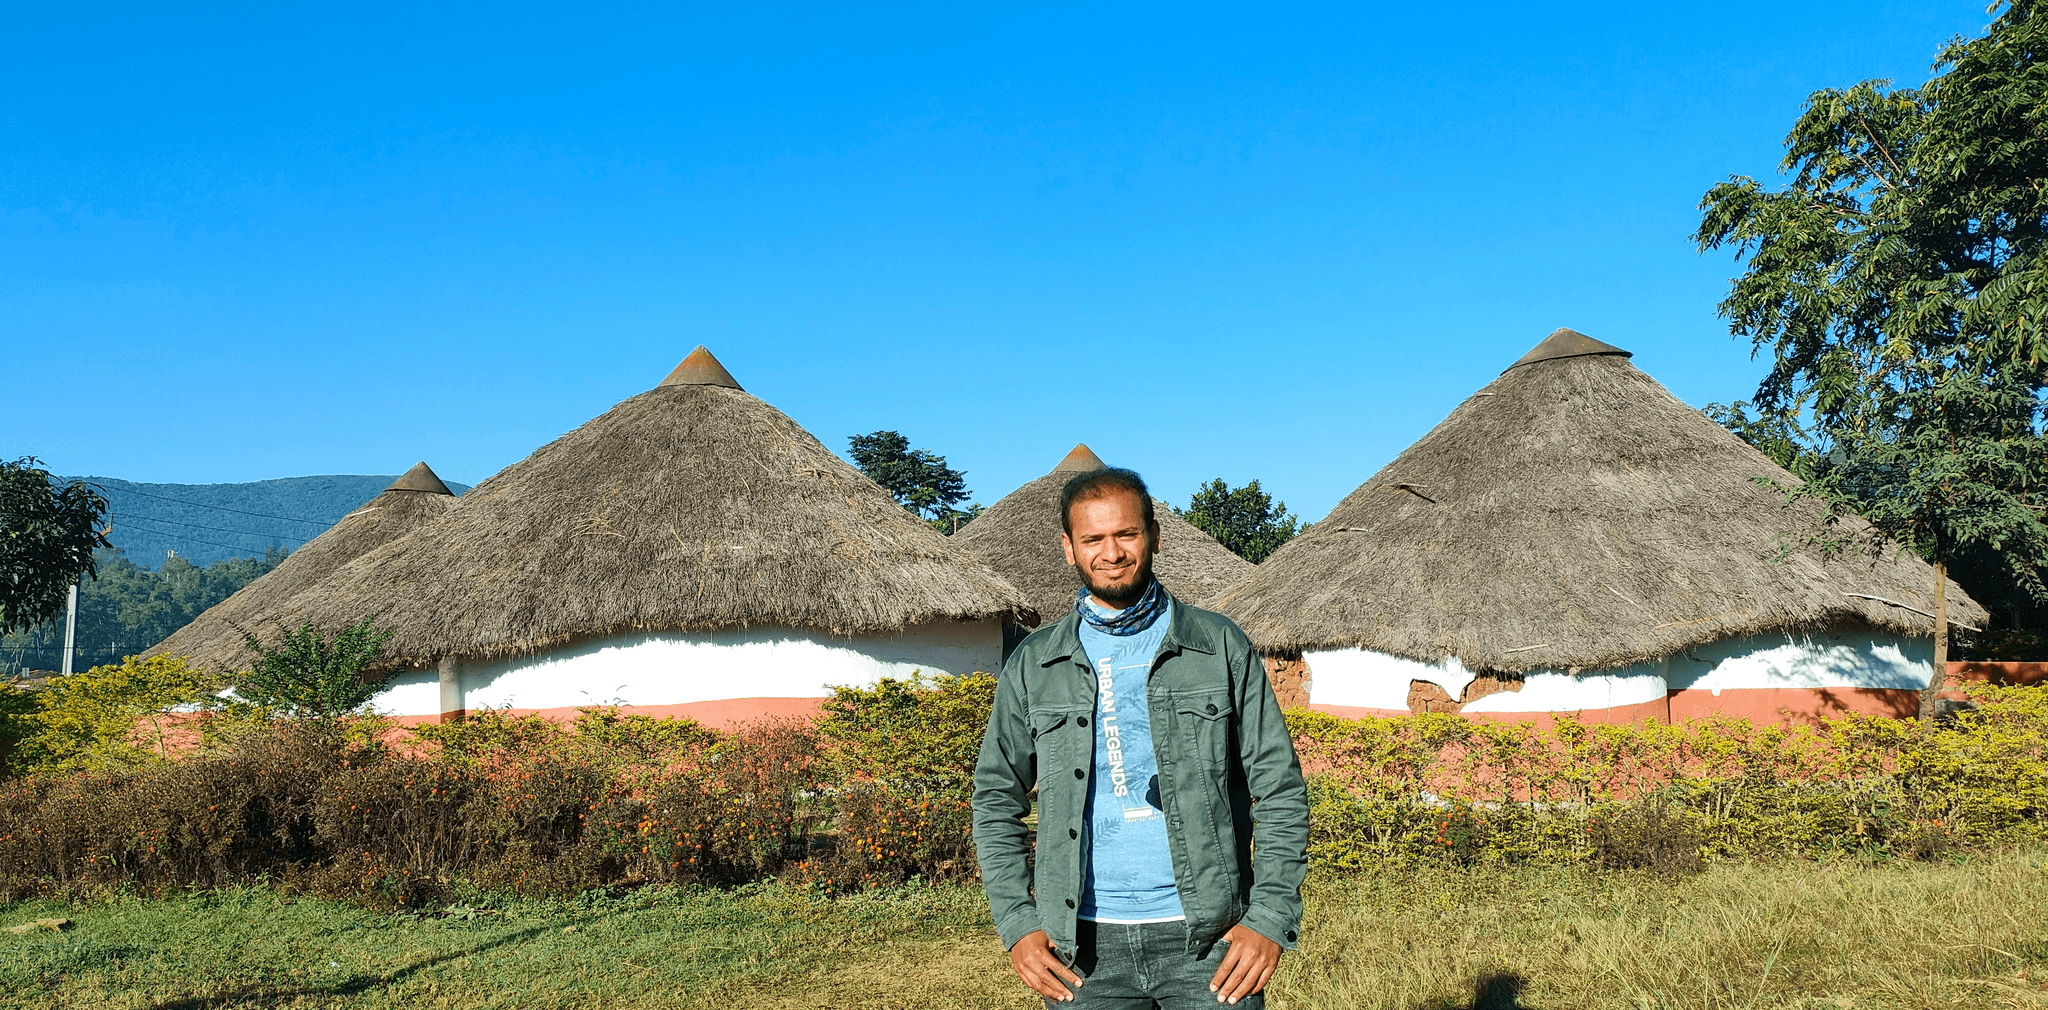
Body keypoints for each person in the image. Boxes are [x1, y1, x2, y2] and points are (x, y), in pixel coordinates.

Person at [972, 467, 1309, 1008]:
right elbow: (995, 797)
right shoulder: (1035, 663)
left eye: (1126, 534)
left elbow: (1280, 788)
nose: (1112, 552)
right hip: (1080, 949)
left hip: (1211, 943)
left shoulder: (1218, 645)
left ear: (1153, 535)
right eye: (1093, 539)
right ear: (1068, 548)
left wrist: (1269, 918)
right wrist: (1016, 920)